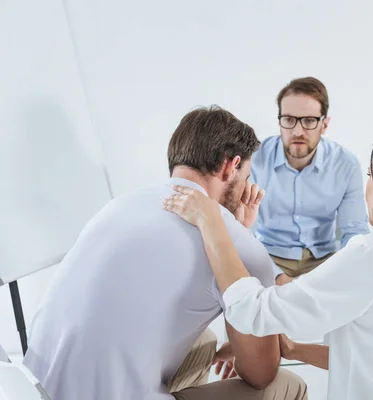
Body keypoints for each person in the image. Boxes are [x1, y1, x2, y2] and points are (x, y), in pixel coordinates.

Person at [164, 123, 373, 400]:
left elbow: (252, 311)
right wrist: (294, 350)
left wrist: (214, 222)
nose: (368, 186)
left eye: (372, 174)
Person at [23, 106, 307, 400]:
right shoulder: (237, 244)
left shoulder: (119, 205)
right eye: (246, 174)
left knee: (205, 340)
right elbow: (260, 374)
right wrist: (240, 236)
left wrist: (236, 228)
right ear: (230, 166)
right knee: (284, 385)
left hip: (33, 390)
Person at [251, 77, 370, 285]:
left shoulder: (345, 164)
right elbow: (241, 232)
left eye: (308, 121)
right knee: (242, 301)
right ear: (279, 120)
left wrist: (338, 275)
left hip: (325, 261)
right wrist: (276, 276)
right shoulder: (254, 159)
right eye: (289, 119)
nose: (298, 131)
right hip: (269, 257)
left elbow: (354, 233)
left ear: (324, 124)